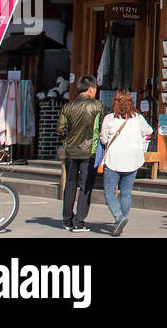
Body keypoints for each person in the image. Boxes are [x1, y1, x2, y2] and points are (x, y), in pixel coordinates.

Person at [98, 89, 153, 237]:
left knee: (109, 192)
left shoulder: (109, 119)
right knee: (126, 193)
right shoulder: (138, 118)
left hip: (113, 159)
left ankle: (119, 217)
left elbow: (103, 139)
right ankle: (120, 219)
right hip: (133, 159)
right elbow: (149, 131)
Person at [57, 76, 103, 232]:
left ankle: (67, 219)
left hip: (71, 151)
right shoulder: (98, 106)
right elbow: (102, 128)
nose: (96, 91)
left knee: (70, 184)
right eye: (95, 89)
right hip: (89, 151)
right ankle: (79, 221)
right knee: (85, 186)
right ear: (90, 89)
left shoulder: (68, 107)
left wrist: (66, 142)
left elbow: (60, 129)